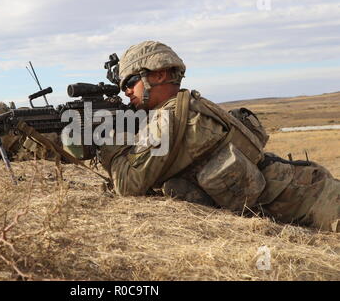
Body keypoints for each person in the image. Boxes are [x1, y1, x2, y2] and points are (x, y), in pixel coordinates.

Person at [97, 40, 340, 232]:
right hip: (303, 189)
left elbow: (128, 184)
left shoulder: (170, 119)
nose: (126, 91)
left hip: (312, 201)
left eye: (130, 81)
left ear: (159, 75)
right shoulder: (185, 104)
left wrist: (106, 139)